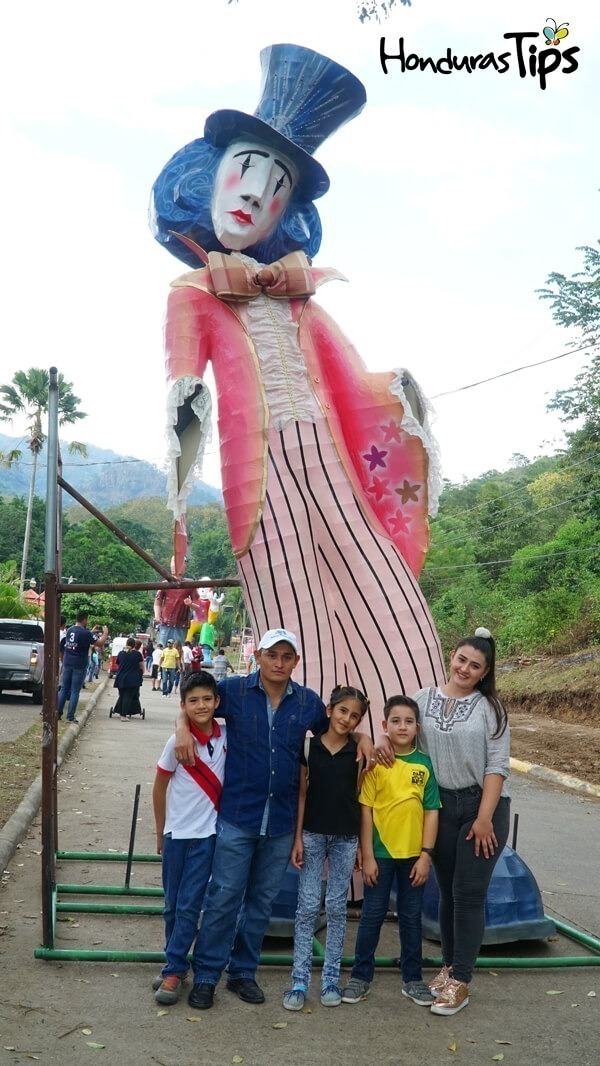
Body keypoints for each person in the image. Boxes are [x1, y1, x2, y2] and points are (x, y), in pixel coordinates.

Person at [151, 42, 445, 716]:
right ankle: (308, 748)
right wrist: (180, 467)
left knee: (381, 582)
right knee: (292, 608)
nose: (258, 192)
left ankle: (404, 730)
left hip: (331, 453)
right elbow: (184, 386)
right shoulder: (191, 292)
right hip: (259, 468)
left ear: (288, 209)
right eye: (247, 170)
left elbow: (348, 376)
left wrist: (399, 391)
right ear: (210, 174)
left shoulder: (300, 298)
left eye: (278, 184)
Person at [173, 628, 375, 1011]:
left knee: (261, 901)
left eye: (286, 656)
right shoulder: (232, 691)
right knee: (224, 898)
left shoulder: (308, 703)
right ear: (259, 656)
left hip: (281, 821)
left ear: (296, 661)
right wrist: (182, 728)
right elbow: (192, 706)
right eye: (272, 655)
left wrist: (363, 737)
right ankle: (205, 975)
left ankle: (243, 973)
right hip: (238, 814)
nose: (279, 663)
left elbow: (337, 728)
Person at [415, 627, 510, 1017]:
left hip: (481, 808)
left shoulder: (492, 709)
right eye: (461, 660)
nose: (465, 669)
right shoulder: (422, 699)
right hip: (438, 807)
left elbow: (497, 766)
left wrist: (485, 818)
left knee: (469, 894)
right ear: (451, 657)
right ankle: (449, 968)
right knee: (447, 892)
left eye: (475, 665)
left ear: (485, 672)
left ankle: (462, 982)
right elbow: (403, 738)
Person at [341, 696, 440, 1008]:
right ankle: (360, 976)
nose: (402, 726)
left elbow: (432, 812)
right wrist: (367, 854)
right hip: (380, 857)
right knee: (371, 915)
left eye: (408, 721)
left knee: (411, 917)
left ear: (417, 728)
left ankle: (413, 979)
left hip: (414, 858)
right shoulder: (376, 765)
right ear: (384, 725)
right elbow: (366, 810)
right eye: (395, 721)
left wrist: (426, 855)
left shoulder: (424, 765)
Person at [282, 685, 369, 1012]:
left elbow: (362, 801)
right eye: (343, 711)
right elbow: (302, 794)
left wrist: (362, 844)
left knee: (336, 907)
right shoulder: (309, 748)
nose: (347, 719)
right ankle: (299, 979)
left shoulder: (360, 754)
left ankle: (331, 977)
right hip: (313, 835)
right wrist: (298, 837)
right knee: (306, 908)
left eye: (355, 716)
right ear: (330, 710)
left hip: (346, 838)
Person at [152, 671, 227, 1005]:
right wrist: (160, 830)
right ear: (183, 705)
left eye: (208, 699)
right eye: (193, 701)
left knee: (188, 905)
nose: (202, 706)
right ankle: (177, 963)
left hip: (207, 836)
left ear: (217, 702)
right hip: (176, 834)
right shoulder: (176, 742)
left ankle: (173, 969)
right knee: (172, 905)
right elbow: (159, 785)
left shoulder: (228, 736)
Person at [58, 612, 108, 723]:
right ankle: (70, 716)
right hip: (79, 664)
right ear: (85, 620)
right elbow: (99, 643)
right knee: (75, 690)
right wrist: (105, 633)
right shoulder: (86, 633)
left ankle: (58, 712)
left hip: (67, 662)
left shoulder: (70, 630)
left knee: (64, 688)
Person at [113, 637, 144, 720]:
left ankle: (119, 710)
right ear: (134, 645)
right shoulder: (137, 654)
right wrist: (141, 676)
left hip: (120, 678)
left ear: (126, 644)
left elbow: (118, 664)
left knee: (122, 695)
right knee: (128, 696)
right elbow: (141, 667)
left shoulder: (121, 653)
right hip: (132, 679)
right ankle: (123, 715)